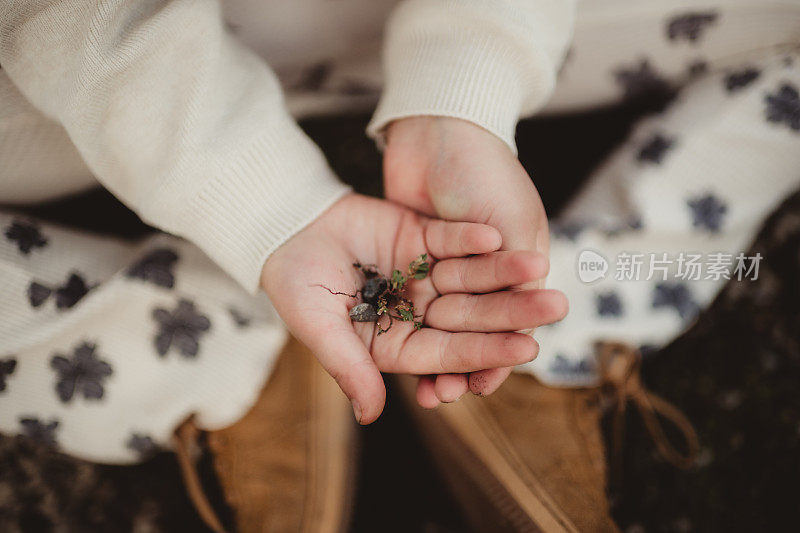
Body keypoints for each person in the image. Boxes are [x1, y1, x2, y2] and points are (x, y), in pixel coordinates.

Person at [1, 0, 799, 530]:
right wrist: (263, 206)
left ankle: (555, 317)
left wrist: (465, 89)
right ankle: (201, 350)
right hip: (61, 82)